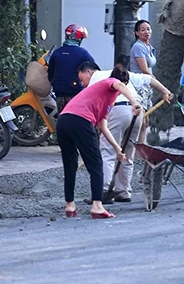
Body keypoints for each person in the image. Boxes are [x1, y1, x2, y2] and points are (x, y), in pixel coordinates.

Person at [77, 58, 173, 203]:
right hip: (136, 111)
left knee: (108, 151)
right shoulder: (120, 74)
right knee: (128, 152)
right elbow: (147, 79)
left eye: (81, 78)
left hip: (117, 109)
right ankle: (124, 191)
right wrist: (165, 91)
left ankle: (103, 190)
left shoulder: (96, 78)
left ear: (88, 72)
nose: (82, 83)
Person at [57, 66, 141, 219]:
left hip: (63, 121)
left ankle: (70, 205)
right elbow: (119, 84)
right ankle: (97, 206)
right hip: (80, 120)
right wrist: (134, 103)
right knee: (96, 164)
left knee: (70, 164)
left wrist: (117, 149)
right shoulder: (111, 82)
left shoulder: (104, 99)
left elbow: (103, 126)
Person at [48, 24, 96, 112]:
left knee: (62, 117)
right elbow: (94, 71)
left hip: (59, 94)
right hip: (76, 94)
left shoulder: (57, 53)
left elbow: (50, 74)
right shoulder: (83, 54)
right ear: (79, 38)